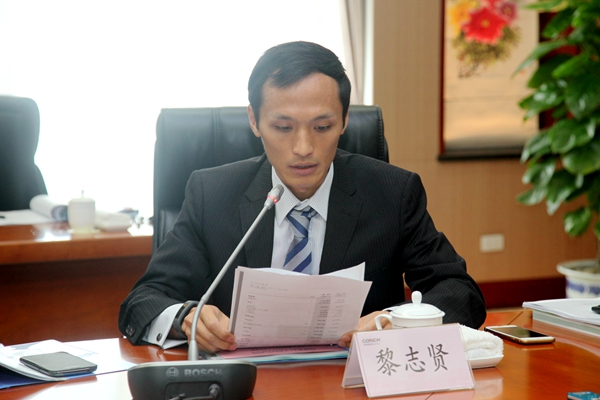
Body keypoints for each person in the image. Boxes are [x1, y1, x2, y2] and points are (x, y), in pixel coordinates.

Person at [118, 41, 486, 353]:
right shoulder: (212, 194)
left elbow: (459, 291)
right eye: (283, 127)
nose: (303, 147)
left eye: (322, 126)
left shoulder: (391, 192)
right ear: (254, 121)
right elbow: (144, 301)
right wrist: (185, 319)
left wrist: (399, 322)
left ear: (344, 120)